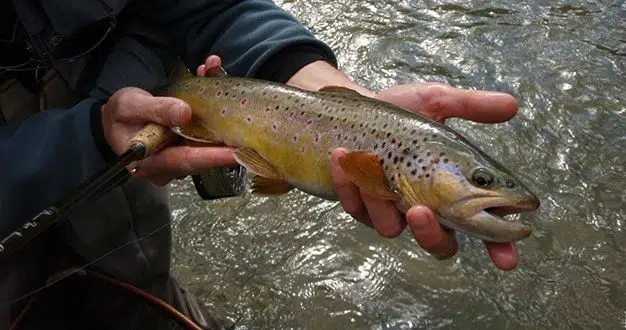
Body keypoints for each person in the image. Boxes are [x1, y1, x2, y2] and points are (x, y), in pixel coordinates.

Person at [0, 0, 521, 328]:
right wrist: (89, 135)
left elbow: (208, 8)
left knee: (136, 276)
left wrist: (301, 72)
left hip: (127, 102)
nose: (486, 188)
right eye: (479, 180)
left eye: (480, 180)